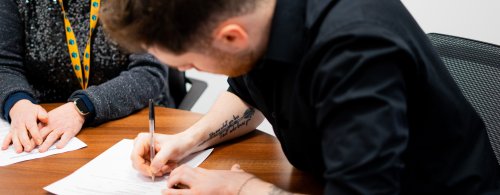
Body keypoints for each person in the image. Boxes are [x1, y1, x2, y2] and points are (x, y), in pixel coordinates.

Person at [100, 0, 500, 194]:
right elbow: (250, 92)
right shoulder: (256, 16)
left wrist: (239, 189)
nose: (195, 73)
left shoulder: (355, 52)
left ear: (231, 36)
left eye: (192, 65)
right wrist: (186, 141)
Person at [0, 0, 174, 154]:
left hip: (125, 122)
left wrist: (81, 108)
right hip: (45, 127)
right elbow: (5, 65)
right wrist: (17, 103)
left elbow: (149, 71)